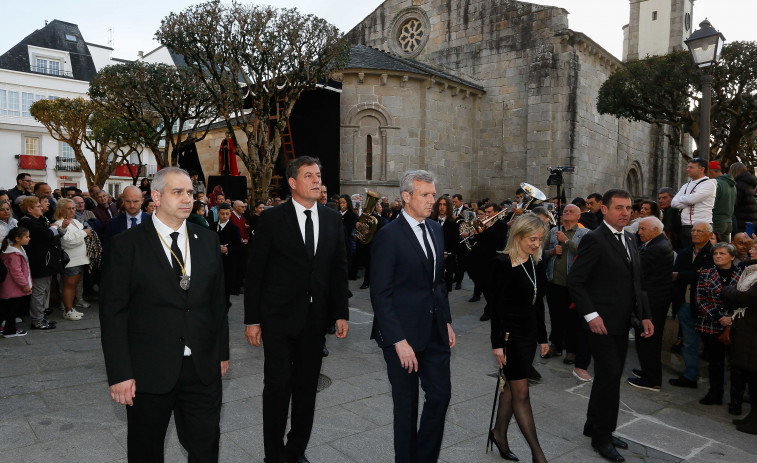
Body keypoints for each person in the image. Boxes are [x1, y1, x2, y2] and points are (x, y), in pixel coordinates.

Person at [100, 166, 229, 462]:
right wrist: (120, 373)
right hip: (148, 370)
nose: (188, 199)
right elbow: (113, 313)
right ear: (156, 197)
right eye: (178, 192)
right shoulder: (126, 245)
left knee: (205, 446)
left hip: (202, 368)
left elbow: (217, 303)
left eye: (190, 193)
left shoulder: (206, 239)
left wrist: (221, 352)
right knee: (146, 450)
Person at [244, 156, 349, 463]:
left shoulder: (332, 219)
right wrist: (252, 319)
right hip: (277, 319)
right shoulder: (273, 218)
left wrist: (340, 312)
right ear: (292, 183)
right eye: (308, 176)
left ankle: (296, 450)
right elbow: (256, 273)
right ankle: (273, 455)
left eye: (318, 175)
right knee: (277, 388)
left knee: (306, 388)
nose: (317, 181)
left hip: (315, 322)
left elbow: (338, 270)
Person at [369, 170, 455, 463]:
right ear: (406, 197)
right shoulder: (388, 236)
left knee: (440, 396)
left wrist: (446, 320)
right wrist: (398, 341)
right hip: (402, 337)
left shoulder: (436, 229)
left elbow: (438, 282)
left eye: (433, 194)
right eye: (425, 195)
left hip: (434, 331)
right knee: (406, 408)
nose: (433, 200)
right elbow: (380, 294)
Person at [568, 189, 653, 463]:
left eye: (629, 208)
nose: (626, 213)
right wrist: (591, 316)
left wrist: (646, 315)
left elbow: (636, 283)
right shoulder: (594, 239)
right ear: (604, 209)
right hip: (601, 324)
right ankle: (602, 437)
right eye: (619, 207)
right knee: (609, 378)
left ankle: (594, 424)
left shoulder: (629, 237)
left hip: (622, 322)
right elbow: (576, 281)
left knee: (609, 377)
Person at [487, 214, 549, 463]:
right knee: (521, 392)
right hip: (510, 337)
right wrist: (497, 344)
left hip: (528, 337)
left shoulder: (535, 263)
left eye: (540, 240)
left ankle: (499, 433)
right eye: (532, 239)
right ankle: (538, 455)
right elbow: (496, 308)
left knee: (512, 390)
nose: (536, 244)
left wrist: (543, 338)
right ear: (518, 236)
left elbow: (537, 304)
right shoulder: (502, 263)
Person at [627, 217, 674, 391]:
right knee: (644, 338)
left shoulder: (658, 247)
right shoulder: (656, 243)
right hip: (650, 299)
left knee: (649, 339)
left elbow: (635, 265)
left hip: (653, 301)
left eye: (643, 229)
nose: (639, 233)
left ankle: (653, 379)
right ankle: (647, 371)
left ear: (655, 230)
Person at [695, 243, 740, 407]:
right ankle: (715, 394)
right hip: (711, 323)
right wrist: (719, 317)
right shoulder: (706, 273)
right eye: (716, 254)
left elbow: (744, 301)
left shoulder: (741, 274)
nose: (718, 256)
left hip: (734, 325)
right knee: (715, 362)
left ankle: (736, 401)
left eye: (722, 253)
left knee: (736, 365)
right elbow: (700, 299)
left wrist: (731, 318)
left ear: (732, 257)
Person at [669, 222, 714, 389]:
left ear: (709, 234)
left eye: (699, 231)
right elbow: (674, 276)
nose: (694, 233)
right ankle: (690, 376)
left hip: (706, 306)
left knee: (713, 347)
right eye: (693, 230)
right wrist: (690, 275)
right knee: (688, 343)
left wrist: (680, 275)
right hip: (685, 303)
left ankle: (718, 383)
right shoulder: (684, 253)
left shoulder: (713, 254)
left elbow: (704, 277)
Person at [543, 204, 589, 362]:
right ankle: (555, 345)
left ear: (578, 216)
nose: (567, 213)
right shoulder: (554, 231)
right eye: (565, 211)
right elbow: (541, 252)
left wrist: (567, 241)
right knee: (556, 316)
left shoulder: (584, 233)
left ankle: (571, 350)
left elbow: (586, 254)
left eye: (571, 211)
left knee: (572, 319)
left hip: (573, 285)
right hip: (553, 281)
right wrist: (552, 252)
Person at [721, 256, 757, 434]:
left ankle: (755, 422)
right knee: (751, 376)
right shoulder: (750, 270)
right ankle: (752, 417)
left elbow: (747, 297)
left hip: (753, 331)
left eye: (756, 248)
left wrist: (727, 290)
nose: (752, 250)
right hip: (748, 331)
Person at [19, 196, 61, 331]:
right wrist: (54, 228)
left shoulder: (36, 220)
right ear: (30, 209)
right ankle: (37, 320)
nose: (41, 207)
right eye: (38, 206)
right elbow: (47, 235)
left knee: (43, 291)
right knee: (39, 292)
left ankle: (41, 317)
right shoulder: (29, 223)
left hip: (45, 262)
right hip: (39, 263)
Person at [54, 199, 90, 321]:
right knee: (69, 285)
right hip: (70, 259)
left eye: (73, 208)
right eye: (68, 208)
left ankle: (71, 307)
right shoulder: (59, 223)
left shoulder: (75, 221)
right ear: (61, 209)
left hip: (80, 258)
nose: (72, 210)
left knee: (74, 285)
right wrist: (84, 233)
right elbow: (68, 242)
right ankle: (67, 310)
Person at [672, 158, 717, 249]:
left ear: (702, 169)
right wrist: (688, 201)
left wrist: (685, 200)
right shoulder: (686, 185)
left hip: (702, 226)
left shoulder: (709, 184)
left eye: (691, 167)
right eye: (688, 167)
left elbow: (692, 199)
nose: (688, 169)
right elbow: (673, 203)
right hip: (685, 226)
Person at [1, 226, 31, 338]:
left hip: (11, 287)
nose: (29, 238)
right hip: (13, 287)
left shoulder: (16, 250)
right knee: (11, 310)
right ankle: (10, 331)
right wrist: (25, 285)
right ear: (17, 239)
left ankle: (6, 329)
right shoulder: (13, 254)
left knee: (6, 309)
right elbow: (16, 272)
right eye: (27, 237)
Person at [215, 203, 241, 308]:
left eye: (227, 214)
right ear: (218, 214)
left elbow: (238, 247)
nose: (224, 216)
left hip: (228, 264)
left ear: (230, 214)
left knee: (225, 288)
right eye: (222, 214)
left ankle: (225, 308)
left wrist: (227, 250)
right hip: (214, 263)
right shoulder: (212, 226)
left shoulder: (234, 229)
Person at [431, 196, 459, 292]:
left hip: (446, 262)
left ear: (449, 207)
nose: (442, 207)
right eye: (440, 204)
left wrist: (448, 253)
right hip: (431, 261)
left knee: (444, 292)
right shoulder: (430, 221)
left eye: (444, 205)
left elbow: (456, 245)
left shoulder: (454, 224)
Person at [709, 161, 737, 243]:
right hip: (728, 222)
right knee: (725, 250)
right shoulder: (732, 184)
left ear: (710, 172)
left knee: (714, 250)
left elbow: (712, 204)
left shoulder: (715, 183)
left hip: (717, 222)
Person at [729, 162, 757, 234]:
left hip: (740, 221)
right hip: (750, 220)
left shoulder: (738, 185)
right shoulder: (748, 184)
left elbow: (732, 204)